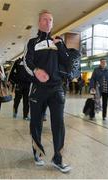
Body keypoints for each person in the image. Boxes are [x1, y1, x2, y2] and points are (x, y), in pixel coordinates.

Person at [23, 10, 71, 173]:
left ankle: (58, 158)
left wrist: (61, 46)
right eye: (44, 19)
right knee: (36, 122)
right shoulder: (32, 42)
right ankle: (37, 152)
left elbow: (68, 63)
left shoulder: (58, 42)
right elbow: (26, 62)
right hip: (38, 89)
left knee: (59, 124)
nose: (48, 22)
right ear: (39, 22)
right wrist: (36, 71)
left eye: (50, 19)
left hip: (57, 89)